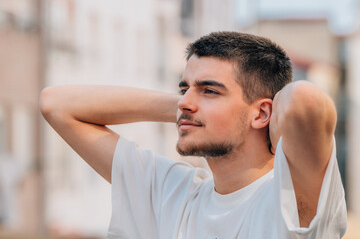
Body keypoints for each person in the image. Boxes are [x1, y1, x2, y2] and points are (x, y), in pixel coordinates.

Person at [40, 31, 347, 239]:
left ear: (262, 113)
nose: (186, 100)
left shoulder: (291, 200)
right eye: (184, 88)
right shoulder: (173, 192)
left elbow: (306, 101)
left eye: (210, 90)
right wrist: (188, 108)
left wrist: (271, 124)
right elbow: (55, 104)